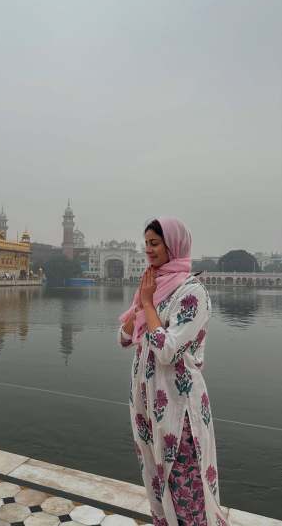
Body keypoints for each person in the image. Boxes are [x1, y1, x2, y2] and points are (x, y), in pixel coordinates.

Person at [118, 217, 230, 526]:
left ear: (174, 246)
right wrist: (142, 305)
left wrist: (148, 306)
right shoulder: (154, 284)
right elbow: (125, 338)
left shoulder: (192, 293)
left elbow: (168, 351)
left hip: (179, 407)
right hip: (147, 401)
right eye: (146, 245)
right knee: (156, 481)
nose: (148, 251)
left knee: (185, 483)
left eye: (154, 244)